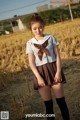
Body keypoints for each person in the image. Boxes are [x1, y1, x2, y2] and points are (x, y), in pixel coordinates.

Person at [26, 13, 70, 120]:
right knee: (48, 106)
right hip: (40, 73)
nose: (38, 30)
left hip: (54, 70)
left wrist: (58, 72)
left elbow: (58, 56)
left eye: (40, 27)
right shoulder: (30, 43)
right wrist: (39, 77)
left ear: (43, 26)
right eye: (35, 28)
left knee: (61, 102)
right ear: (31, 29)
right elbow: (31, 62)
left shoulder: (51, 38)